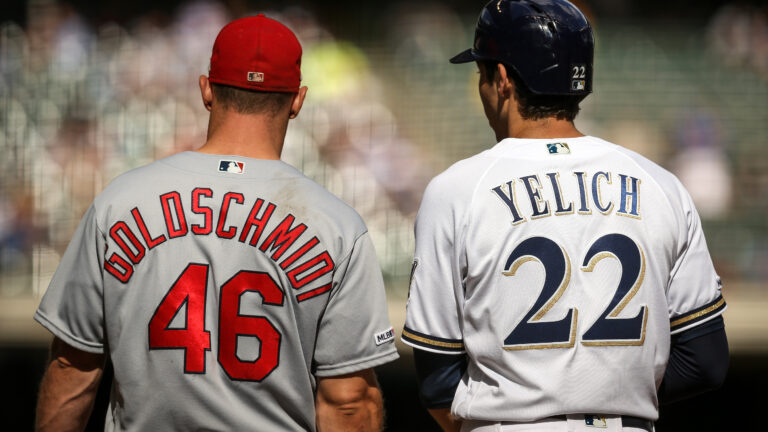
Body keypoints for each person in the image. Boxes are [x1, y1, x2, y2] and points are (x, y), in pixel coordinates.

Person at [34, 15, 398, 432]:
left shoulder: (119, 202)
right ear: (297, 101)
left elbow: (71, 367)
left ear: (206, 89)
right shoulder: (336, 226)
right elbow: (348, 401)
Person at [401, 1, 729, 431]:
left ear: (501, 80)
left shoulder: (457, 189)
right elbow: (704, 362)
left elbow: (438, 379)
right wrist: (612, 395)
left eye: (482, 74)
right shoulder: (660, 184)